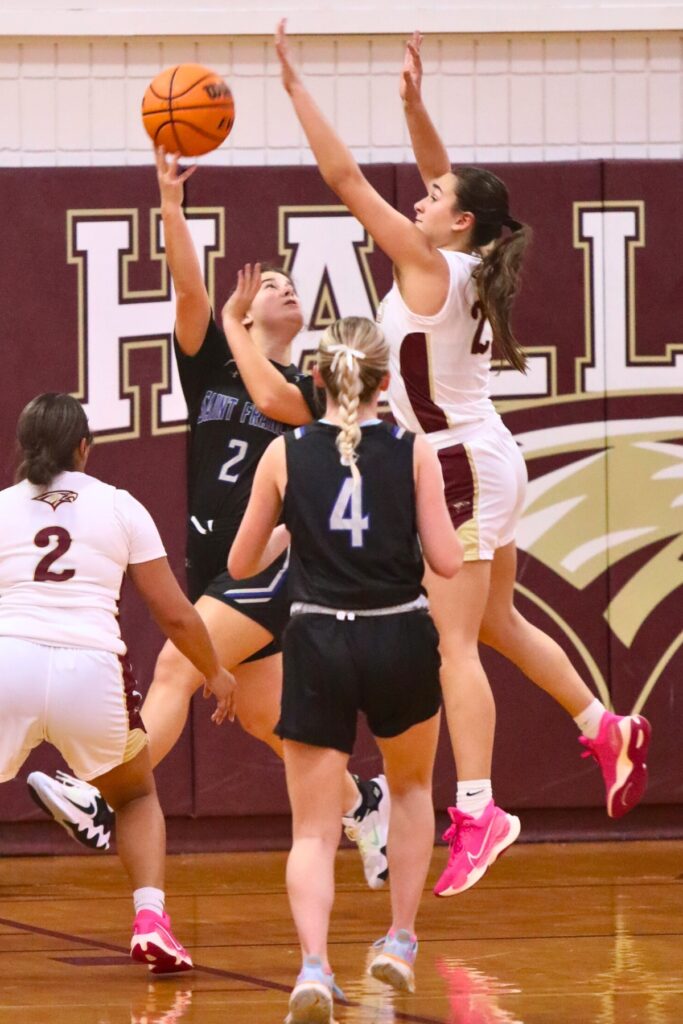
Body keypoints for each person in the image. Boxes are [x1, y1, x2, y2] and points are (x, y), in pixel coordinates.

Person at [275, 22, 652, 899]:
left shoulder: (426, 263)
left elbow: (343, 180)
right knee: (495, 626)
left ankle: (479, 809)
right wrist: (413, 106)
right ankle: (604, 727)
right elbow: (443, 183)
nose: (418, 197)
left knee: (452, 644)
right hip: (486, 455)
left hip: (455, 465)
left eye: (432, 194)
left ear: (458, 219)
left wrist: (294, 87)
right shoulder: (469, 257)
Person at [28, 148, 391, 889]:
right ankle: (364, 800)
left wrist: (235, 326)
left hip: (277, 562)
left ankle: (98, 796)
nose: (287, 289)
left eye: (296, 287)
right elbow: (187, 282)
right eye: (273, 284)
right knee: (266, 716)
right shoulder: (210, 369)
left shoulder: (303, 387)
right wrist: (168, 202)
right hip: (215, 563)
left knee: (174, 665)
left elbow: (283, 414)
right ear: (247, 307)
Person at [229, 316, 463, 1020]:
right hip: (398, 635)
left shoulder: (285, 454)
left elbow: (239, 566)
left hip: (317, 642)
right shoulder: (412, 449)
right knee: (413, 787)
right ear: (384, 383)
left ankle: (312, 965)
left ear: (317, 380)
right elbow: (448, 561)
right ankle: (398, 940)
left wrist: (286, 534)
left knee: (311, 830)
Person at [0, 393, 236, 974]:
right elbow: (176, 612)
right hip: (92, 671)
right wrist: (215, 671)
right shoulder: (120, 505)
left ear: (24, 447)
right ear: (85, 447)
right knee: (134, 795)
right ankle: (151, 920)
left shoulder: (2, 507)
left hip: (10, 661)